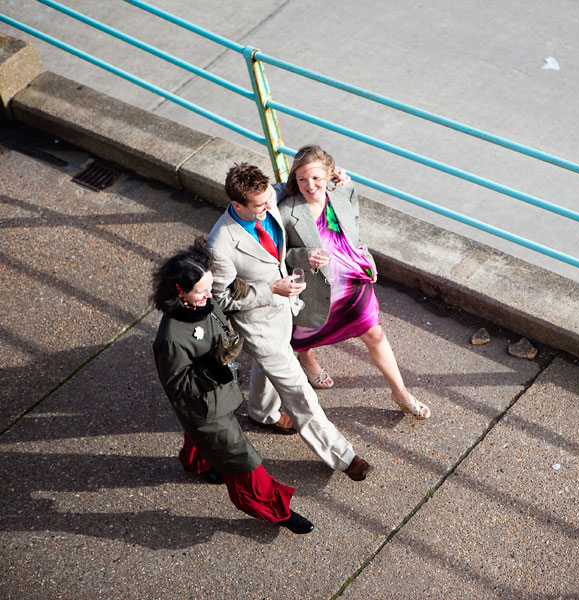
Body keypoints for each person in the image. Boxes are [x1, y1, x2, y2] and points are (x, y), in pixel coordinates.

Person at [206, 163, 371, 481]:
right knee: (299, 392)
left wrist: (333, 179)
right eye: (259, 206)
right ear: (237, 204)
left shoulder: (270, 195)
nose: (269, 207)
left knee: (268, 366)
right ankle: (343, 456)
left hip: (286, 309)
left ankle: (262, 413)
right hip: (259, 324)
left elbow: (290, 184)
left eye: (268, 198)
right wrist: (270, 289)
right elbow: (225, 299)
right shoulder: (220, 244)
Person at [151, 240, 314, 534]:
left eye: (209, 286)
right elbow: (178, 386)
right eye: (201, 291)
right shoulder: (171, 338)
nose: (208, 295)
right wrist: (215, 363)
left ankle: (197, 462)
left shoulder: (204, 301)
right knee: (242, 458)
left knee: (203, 442)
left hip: (219, 395)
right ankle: (277, 510)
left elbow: (222, 313)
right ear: (179, 291)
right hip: (204, 409)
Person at [275, 144, 431, 419]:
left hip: (352, 283)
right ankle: (307, 358)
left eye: (316, 177)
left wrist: (365, 258)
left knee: (374, 333)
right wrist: (304, 256)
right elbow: (279, 256)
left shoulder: (344, 190)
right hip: (316, 290)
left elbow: (355, 227)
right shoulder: (287, 211)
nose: (309, 185)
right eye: (302, 179)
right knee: (303, 338)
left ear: (329, 173)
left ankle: (400, 392)